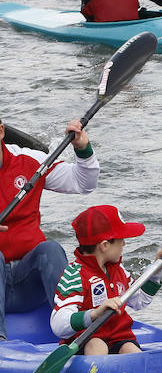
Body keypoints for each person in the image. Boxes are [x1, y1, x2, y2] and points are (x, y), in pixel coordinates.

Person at [0, 119, 98, 342]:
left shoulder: (30, 161)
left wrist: (83, 149)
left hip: (29, 284)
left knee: (51, 249)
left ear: (1, 131)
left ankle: (77, 333)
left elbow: (83, 183)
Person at [48, 206, 162, 356]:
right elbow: (58, 324)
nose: (124, 244)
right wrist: (94, 314)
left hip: (118, 338)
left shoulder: (118, 269)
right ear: (105, 245)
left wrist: (156, 270)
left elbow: (140, 301)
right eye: (121, 239)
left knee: (132, 351)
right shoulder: (75, 275)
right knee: (97, 345)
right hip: (85, 341)